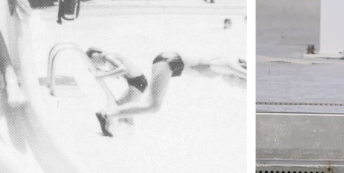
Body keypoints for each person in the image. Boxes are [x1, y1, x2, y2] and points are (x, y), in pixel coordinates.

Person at [89, 49, 246, 137]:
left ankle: (111, 118)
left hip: (169, 63)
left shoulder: (222, 67)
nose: (234, 86)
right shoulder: (225, 65)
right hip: (169, 62)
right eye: (239, 84)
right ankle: (106, 114)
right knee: (152, 106)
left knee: (150, 106)